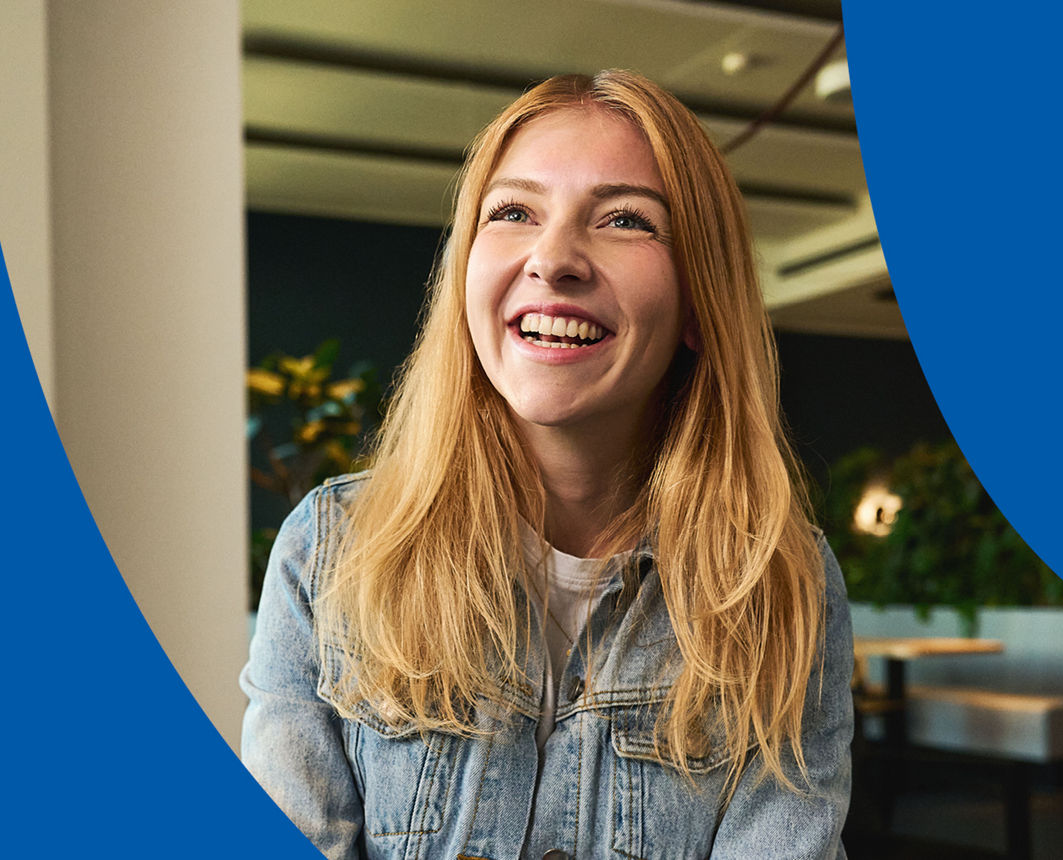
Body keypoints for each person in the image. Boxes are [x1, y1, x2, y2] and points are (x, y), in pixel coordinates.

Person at [241, 69, 854, 860]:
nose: (553, 257)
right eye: (514, 211)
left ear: (700, 303)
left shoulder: (780, 585)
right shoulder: (327, 552)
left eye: (626, 219)